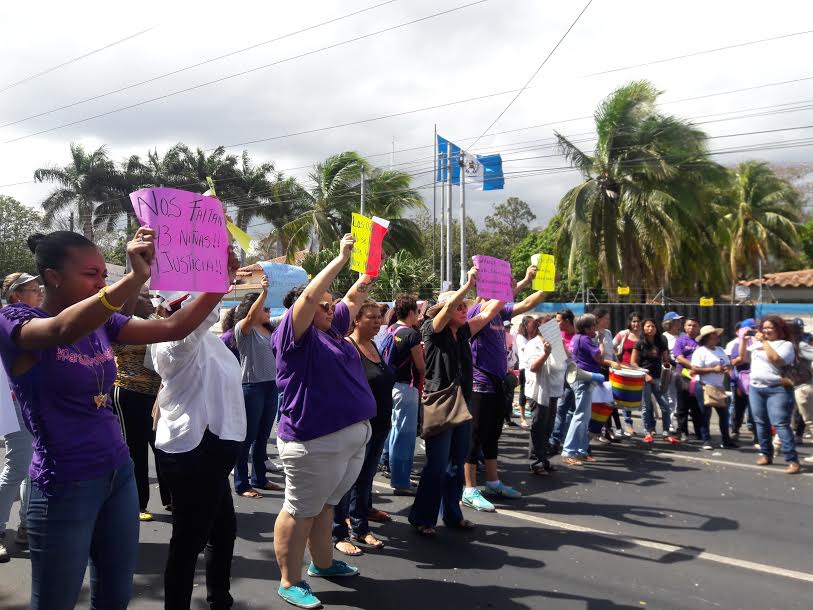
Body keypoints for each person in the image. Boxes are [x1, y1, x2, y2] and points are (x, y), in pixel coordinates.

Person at [0, 229, 236, 609]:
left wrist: (216, 283)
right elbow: (62, 329)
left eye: (103, 275)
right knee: (54, 602)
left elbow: (173, 327)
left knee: (114, 596)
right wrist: (137, 276)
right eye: (91, 274)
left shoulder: (101, 324)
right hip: (65, 485)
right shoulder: (16, 320)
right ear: (53, 276)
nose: (101, 282)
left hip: (118, 474)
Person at [271, 234, 377, 609]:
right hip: (313, 440)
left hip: (349, 439)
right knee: (300, 510)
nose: (331, 309)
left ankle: (323, 564)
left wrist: (369, 261)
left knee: (325, 507)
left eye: (332, 307)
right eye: (324, 306)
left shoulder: (331, 329)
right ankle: (290, 580)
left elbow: (353, 297)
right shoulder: (292, 335)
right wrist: (340, 258)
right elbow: (310, 298)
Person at [150, 289, 247, 610]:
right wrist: (217, 280)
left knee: (223, 533)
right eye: (185, 304)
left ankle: (220, 598)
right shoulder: (171, 342)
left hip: (213, 452)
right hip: (193, 453)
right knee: (188, 543)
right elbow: (202, 316)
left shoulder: (209, 342)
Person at [409, 269, 505, 535]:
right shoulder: (432, 329)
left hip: (462, 403)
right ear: (446, 310)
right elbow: (449, 307)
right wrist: (468, 285)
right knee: (437, 466)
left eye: (466, 306)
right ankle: (422, 518)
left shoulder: (463, 333)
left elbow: (487, 314)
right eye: (460, 307)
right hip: (439, 404)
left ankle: (452, 514)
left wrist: (505, 289)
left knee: (456, 464)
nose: (465, 310)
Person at [462, 266, 546, 512]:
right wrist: (518, 283)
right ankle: (469, 490)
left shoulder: (501, 312)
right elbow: (499, 301)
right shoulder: (479, 310)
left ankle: (493, 482)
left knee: (492, 436)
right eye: (505, 283)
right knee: (475, 437)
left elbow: (528, 302)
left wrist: (539, 284)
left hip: (498, 385)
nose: (509, 285)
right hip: (480, 384)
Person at [333, 301, 395, 555]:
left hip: (379, 424)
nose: (378, 322)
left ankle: (360, 527)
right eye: (371, 317)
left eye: (379, 317)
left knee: (364, 479)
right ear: (356, 320)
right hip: (358, 425)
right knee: (346, 481)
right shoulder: (348, 346)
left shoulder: (375, 346)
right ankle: (338, 532)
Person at [110, 285, 171, 522]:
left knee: (162, 447)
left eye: (151, 296)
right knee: (135, 451)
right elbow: (116, 345)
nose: (149, 301)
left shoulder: (158, 321)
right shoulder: (120, 324)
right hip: (128, 392)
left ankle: (170, 497)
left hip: (157, 396)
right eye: (142, 296)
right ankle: (137, 503)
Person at [0, 272, 41, 562]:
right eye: (32, 289)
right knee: (18, 465)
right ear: (15, 295)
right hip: (9, 397)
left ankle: (27, 525)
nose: (39, 292)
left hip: (30, 398)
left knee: (31, 465)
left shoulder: (34, 317)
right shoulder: (8, 320)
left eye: (40, 287)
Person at [233, 279, 284, 498]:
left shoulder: (269, 328)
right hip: (251, 387)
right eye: (264, 308)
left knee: (262, 437)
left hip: (271, 387)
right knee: (247, 437)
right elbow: (251, 317)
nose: (269, 311)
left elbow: (289, 315)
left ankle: (260, 479)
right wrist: (264, 292)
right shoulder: (244, 330)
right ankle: (242, 483)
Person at [740, 316, 800, 474]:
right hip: (756, 388)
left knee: (780, 424)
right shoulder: (757, 343)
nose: (765, 330)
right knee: (761, 423)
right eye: (763, 327)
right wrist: (744, 341)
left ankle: (792, 460)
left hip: (777, 388)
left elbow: (776, 360)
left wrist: (764, 342)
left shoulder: (786, 345)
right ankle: (766, 454)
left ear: (779, 329)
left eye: (769, 328)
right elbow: (744, 359)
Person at [379, 294, 425, 496]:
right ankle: (401, 481)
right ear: (412, 311)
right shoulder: (412, 334)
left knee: (394, 431)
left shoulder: (392, 329)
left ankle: (393, 471)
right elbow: (421, 366)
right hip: (407, 388)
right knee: (404, 437)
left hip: (392, 385)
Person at [561, 314, 618, 465]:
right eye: (593, 326)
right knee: (580, 417)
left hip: (582, 379)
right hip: (584, 381)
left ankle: (581, 451)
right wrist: (600, 340)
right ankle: (569, 451)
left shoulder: (576, 338)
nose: (595, 328)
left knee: (584, 417)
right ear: (586, 328)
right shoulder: (585, 339)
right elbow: (600, 357)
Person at [524, 315, 562, 474]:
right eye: (552, 326)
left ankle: (543, 458)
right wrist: (546, 353)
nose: (556, 329)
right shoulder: (533, 344)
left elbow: (565, 364)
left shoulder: (556, 343)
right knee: (538, 426)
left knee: (548, 427)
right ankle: (535, 461)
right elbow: (533, 367)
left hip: (553, 391)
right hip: (539, 391)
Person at [691, 325, 735, 450]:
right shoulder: (700, 351)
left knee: (724, 414)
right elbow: (695, 369)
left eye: (716, 335)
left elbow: (728, 364)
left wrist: (727, 368)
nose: (716, 337)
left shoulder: (720, 350)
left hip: (719, 386)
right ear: (706, 338)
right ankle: (706, 440)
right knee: (705, 414)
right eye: (713, 335)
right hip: (705, 385)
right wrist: (713, 369)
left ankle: (726, 439)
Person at [631, 318, 674, 443]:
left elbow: (666, 360)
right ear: (643, 328)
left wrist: (667, 372)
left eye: (653, 326)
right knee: (646, 406)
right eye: (648, 326)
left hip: (659, 378)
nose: (651, 329)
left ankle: (666, 433)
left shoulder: (661, 341)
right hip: (644, 378)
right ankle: (648, 432)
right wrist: (644, 374)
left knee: (665, 406)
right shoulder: (639, 343)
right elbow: (633, 362)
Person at [550, 308, 576, 452]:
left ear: (567, 321)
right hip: (561, 376)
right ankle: (556, 440)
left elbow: (576, 358)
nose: (556, 323)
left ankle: (565, 439)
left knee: (571, 410)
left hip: (574, 376)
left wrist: (565, 351)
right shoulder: (557, 334)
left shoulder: (578, 336)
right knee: (561, 409)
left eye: (558, 320)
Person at [673, 317, 703, 442]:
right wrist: (693, 366)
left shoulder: (702, 341)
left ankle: (700, 432)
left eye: (694, 325)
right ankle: (682, 432)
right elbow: (679, 357)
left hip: (698, 378)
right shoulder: (680, 340)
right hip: (683, 377)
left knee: (697, 407)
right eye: (689, 325)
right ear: (684, 327)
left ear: (699, 327)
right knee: (682, 407)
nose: (691, 328)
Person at [727, 319, 756, 441]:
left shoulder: (759, 344)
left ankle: (756, 434)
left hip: (756, 381)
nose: (753, 331)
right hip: (741, 381)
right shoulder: (737, 344)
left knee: (755, 410)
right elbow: (733, 363)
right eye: (751, 329)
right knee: (738, 408)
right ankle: (735, 430)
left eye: (755, 329)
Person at [593, 307, 620, 442]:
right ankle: (599, 431)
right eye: (606, 319)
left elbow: (612, 352)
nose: (608, 321)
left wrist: (617, 362)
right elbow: (597, 356)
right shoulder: (593, 334)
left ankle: (609, 429)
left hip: (611, 370)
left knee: (610, 401)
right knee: (600, 401)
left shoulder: (608, 333)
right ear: (598, 319)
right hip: (599, 370)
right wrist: (610, 363)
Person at [613, 312, 642, 435]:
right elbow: (612, 346)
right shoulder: (623, 334)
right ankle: (628, 423)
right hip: (624, 369)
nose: (635, 324)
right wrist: (616, 362)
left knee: (640, 398)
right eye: (633, 321)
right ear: (629, 322)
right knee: (626, 397)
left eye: (638, 321)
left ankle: (648, 427)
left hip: (640, 370)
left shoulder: (644, 335)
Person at [514, 315, 540, 429]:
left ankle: (533, 416)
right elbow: (527, 350)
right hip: (525, 367)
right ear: (525, 325)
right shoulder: (520, 337)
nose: (533, 325)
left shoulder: (533, 337)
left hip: (533, 367)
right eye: (531, 323)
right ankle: (523, 417)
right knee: (524, 392)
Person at [661, 312, 684, 433]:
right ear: (669, 323)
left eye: (679, 320)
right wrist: (677, 364)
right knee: (671, 398)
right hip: (670, 371)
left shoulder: (683, 335)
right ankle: (670, 423)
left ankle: (679, 424)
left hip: (683, 371)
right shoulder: (664, 337)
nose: (679, 323)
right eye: (676, 321)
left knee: (681, 399)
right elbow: (665, 356)